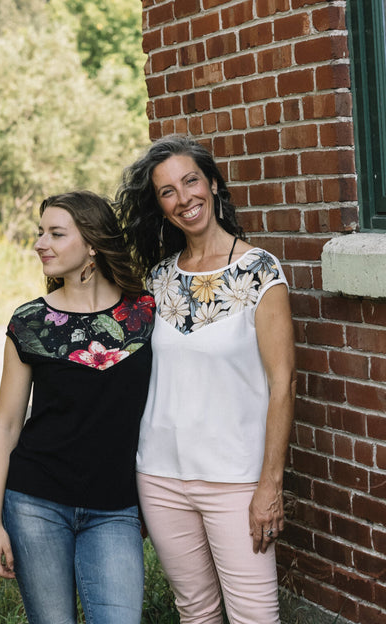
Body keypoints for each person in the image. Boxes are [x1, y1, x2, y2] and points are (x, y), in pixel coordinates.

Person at [116, 135, 297, 624]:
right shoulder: (157, 279)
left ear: (213, 184)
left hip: (236, 480)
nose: (183, 198)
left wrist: (270, 485)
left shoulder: (260, 272)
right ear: (159, 205)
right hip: (159, 477)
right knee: (195, 613)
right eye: (167, 191)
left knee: (255, 616)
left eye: (191, 180)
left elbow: (283, 383)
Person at [0, 190, 155, 624]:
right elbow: (5, 427)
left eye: (56, 234)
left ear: (93, 244)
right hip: (34, 503)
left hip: (115, 508)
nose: (41, 243)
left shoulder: (144, 315)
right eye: (41, 233)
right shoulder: (30, 323)